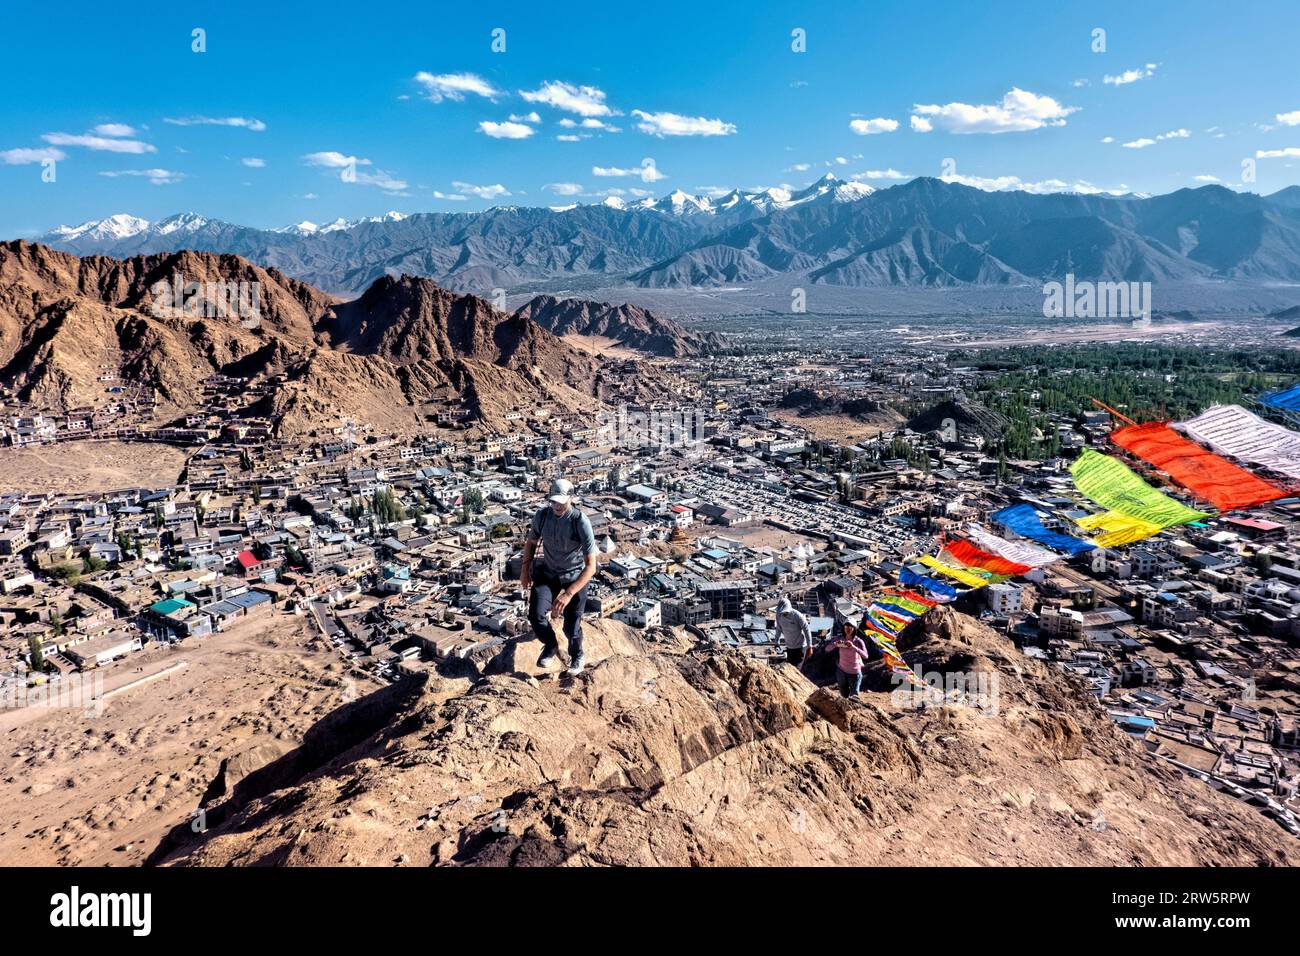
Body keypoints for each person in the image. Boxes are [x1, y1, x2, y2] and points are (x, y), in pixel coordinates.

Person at [520, 477, 599, 676]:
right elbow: (531, 542)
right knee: (536, 615)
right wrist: (524, 569)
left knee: (571, 626)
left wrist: (569, 593)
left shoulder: (580, 521)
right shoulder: (543, 516)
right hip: (548, 573)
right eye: (553, 501)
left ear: (570, 498)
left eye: (560, 502)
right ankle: (550, 645)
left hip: (574, 576)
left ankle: (577, 654)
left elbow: (591, 567)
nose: (557, 506)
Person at [827, 614, 871, 698]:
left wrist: (853, 647)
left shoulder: (858, 641)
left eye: (851, 626)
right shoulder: (839, 638)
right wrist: (835, 645)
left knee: (854, 696)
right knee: (844, 694)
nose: (848, 628)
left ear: (854, 628)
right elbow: (827, 649)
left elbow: (865, 656)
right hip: (841, 671)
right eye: (846, 625)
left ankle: (854, 710)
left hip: (855, 673)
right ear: (843, 627)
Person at [774, 596, 812, 666]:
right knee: (791, 667)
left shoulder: (798, 616)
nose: (784, 614)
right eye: (782, 612)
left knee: (797, 668)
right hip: (789, 647)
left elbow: (806, 630)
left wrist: (809, 646)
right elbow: (778, 629)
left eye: (785, 612)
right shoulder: (779, 616)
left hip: (800, 647)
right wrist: (776, 642)